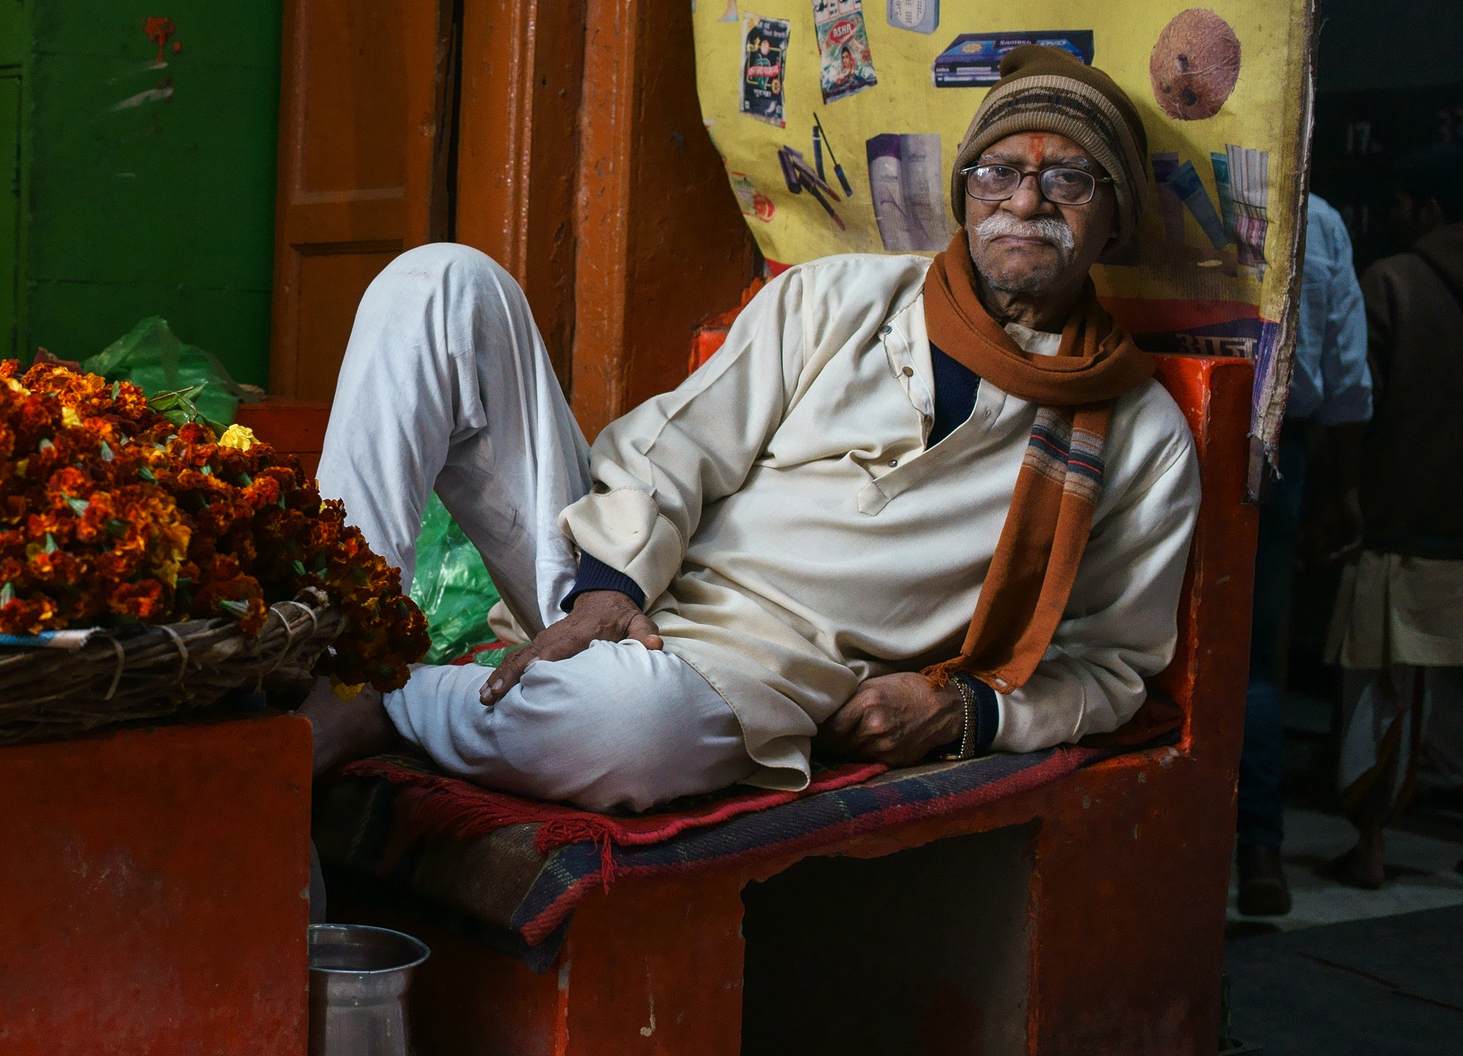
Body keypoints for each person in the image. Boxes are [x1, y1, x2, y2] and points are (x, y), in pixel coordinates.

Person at [301, 47, 1201, 809]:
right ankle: (335, 643)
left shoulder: (1139, 439)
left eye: (1068, 179)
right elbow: (676, 448)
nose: (1026, 201)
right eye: (998, 172)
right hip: (616, 574)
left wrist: (964, 711)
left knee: (629, 727)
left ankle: (383, 704)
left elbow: (1112, 666)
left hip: (748, 679)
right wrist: (607, 588)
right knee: (440, 286)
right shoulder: (841, 296)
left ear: (1114, 217)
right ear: (965, 194)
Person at [1326, 145, 1463, 892]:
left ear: (1430, 209)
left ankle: (1371, 847)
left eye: (1403, 205)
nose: (1394, 218)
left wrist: (1345, 495)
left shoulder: (1391, 282)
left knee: (1379, 689)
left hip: (1397, 524)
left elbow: (1356, 404)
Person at [1235, 197, 1372, 917]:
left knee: (1136, 642)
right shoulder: (1316, 214)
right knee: (1252, 660)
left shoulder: (1161, 174)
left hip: (1161, 419)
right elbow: (1346, 374)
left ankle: (1154, 849)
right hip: (1274, 448)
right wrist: (1343, 488)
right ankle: (1260, 852)